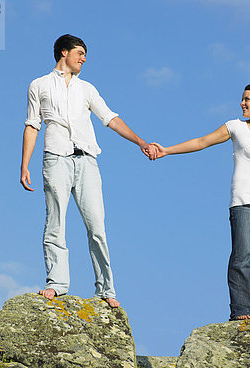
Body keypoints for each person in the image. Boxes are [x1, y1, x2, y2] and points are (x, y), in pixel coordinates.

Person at [20, 34, 157, 308]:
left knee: (97, 226)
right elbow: (32, 125)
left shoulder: (87, 89)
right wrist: (24, 164)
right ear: (63, 52)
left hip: (87, 161)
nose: (84, 58)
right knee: (55, 221)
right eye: (80, 52)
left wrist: (140, 141)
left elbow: (110, 118)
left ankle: (106, 289)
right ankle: (57, 283)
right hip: (56, 158)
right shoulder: (39, 85)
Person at [151, 83, 250, 320]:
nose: (242, 103)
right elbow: (201, 142)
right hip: (243, 200)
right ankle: (241, 309)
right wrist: (167, 150)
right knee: (242, 255)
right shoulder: (235, 127)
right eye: (242, 99)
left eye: (246, 99)